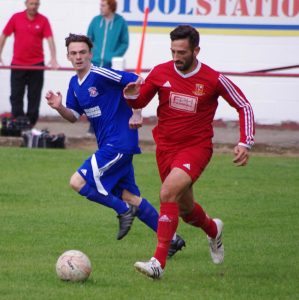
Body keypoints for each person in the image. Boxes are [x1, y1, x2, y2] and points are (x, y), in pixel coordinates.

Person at [124, 25, 255, 279]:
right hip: (165, 148)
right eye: (173, 51)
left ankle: (158, 263)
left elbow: (243, 105)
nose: (176, 57)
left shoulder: (213, 79)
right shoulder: (161, 72)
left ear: (196, 50)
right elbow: (140, 102)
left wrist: (245, 141)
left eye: (182, 52)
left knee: (167, 192)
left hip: (196, 148)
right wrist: (131, 97)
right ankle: (213, 230)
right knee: (185, 210)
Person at [45, 34, 185, 257]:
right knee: (130, 196)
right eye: (74, 53)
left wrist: (137, 112)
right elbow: (73, 116)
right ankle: (173, 240)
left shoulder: (100, 74)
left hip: (119, 142)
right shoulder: (74, 84)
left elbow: (138, 81)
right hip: (111, 145)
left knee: (77, 181)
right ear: (68, 56)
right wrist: (59, 107)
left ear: (91, 54)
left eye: (83, 52)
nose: (78, 56)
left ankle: (122, 211)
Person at [0, 0, 59, 127]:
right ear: (26, 4)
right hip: (18, 64)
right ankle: (18, 121)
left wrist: (53, 58)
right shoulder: (16, 18)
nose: (33, 6)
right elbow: (4, 35)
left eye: (36, 4)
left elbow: (50, 39)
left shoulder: (43, 20)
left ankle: (30, 123)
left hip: (37, 65)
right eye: (31, 3)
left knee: (34, 95)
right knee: (16, 95)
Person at [86, 0, 130, 135]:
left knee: (108, 96)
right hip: (95, 64)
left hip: (110, 67)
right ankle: (93, 125)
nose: (101, 8)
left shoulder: (120, 22)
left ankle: (107, 125)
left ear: (111, 6)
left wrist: (113, 57)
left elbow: (124, 42)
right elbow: (88, 40)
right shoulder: (95, 21)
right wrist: (91, 56)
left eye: (103, 5)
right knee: (92, 94)